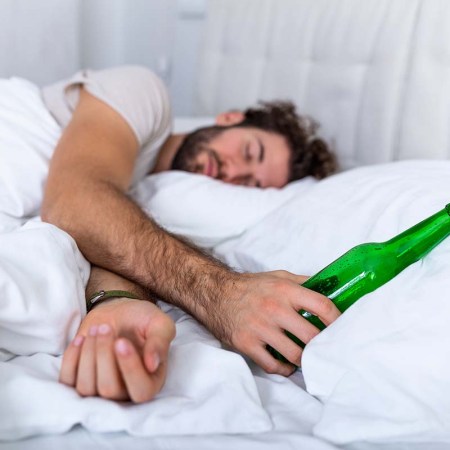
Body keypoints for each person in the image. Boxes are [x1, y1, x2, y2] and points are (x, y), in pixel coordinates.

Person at [39, 65, 341, 403]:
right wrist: (224, 295)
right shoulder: (142, 92)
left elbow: (109, 237)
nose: (233, 172)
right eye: (248, 152)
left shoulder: (147, 195)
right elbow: (72, 201)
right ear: (229, 119)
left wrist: (119, 301)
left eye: (250, 184)